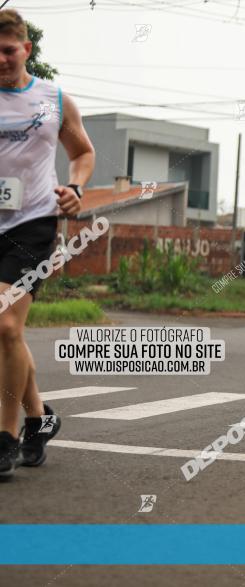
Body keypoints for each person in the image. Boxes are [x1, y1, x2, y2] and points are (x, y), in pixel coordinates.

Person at [0, 9, 95, 478]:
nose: (0, 59)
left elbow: (82, 152)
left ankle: (7, 435)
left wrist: (75, 189)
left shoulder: (53, 98)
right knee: (7, 332)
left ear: (26, 50)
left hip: (34, 222)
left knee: (5, 325)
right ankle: (40, 418)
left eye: (8, 50)